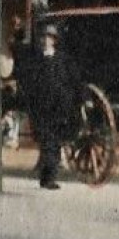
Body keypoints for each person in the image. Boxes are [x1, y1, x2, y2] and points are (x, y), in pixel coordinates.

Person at [18, 23, 80, 190]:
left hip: (59, 107)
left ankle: (47, 178)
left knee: (54, 142)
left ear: (54, 41)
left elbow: (74, 80)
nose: (46, 41)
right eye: (44, 38)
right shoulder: (37, 61)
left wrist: (82, 98)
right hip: (42, 108)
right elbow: (30, 83)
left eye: (49, 38)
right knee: (48, 142)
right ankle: (48, 178)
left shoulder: (63, 60)